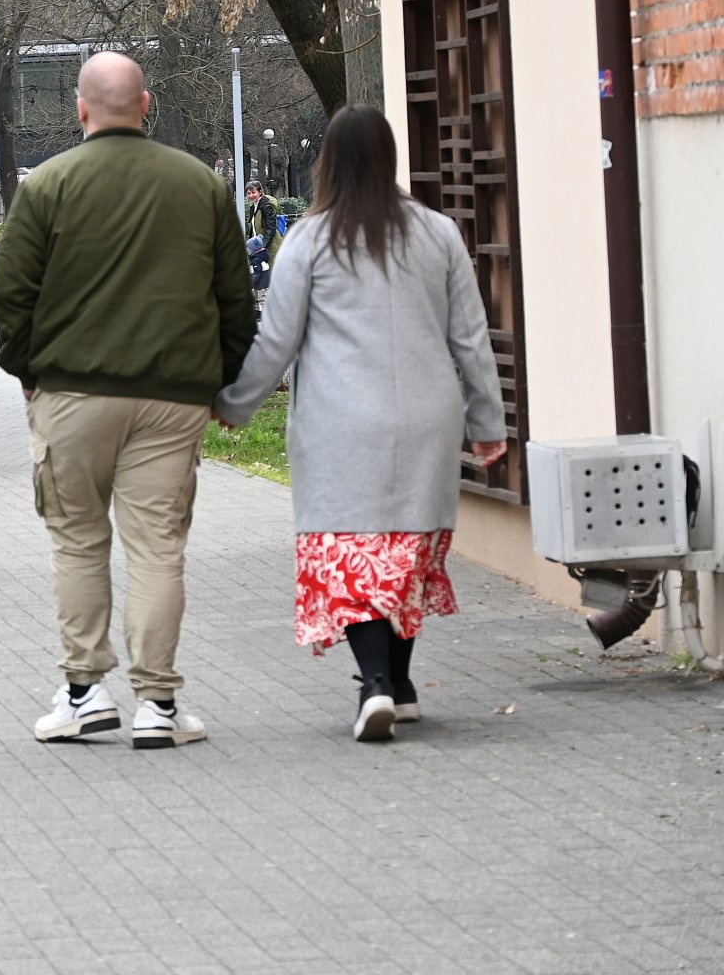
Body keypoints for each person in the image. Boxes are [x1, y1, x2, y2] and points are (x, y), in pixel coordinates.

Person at [215, 106, 507, 743]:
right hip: (428, 418)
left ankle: (374, 683)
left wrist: (235, 404)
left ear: (327, 164)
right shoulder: (437, 234)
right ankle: (399, 686)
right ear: (389, 158)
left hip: (339, 423)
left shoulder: (310, 242)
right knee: (404, 550)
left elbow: (276, 342)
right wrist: (488, 419)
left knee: (352, 553)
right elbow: (471, 339)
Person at [0, 52, 255, 750]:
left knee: (78, 542)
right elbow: (234, 299)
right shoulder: (199, 185)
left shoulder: (46, 186)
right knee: (158, 549)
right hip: (171, 398)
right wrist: (225, 384)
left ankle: (83, 692)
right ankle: (159, 705)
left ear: (81, 111)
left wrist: (27, 369)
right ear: (145, 107)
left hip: (72, 392)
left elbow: (10, 292)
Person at [246, 180, 284, 265]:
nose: (251, 195)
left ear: (260, 192)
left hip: (270, 249)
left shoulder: (267, 207)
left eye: (253, 192)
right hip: (260, 250)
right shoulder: (254, 207)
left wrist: (262, 248)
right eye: (248, 193)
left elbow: (271, 230)